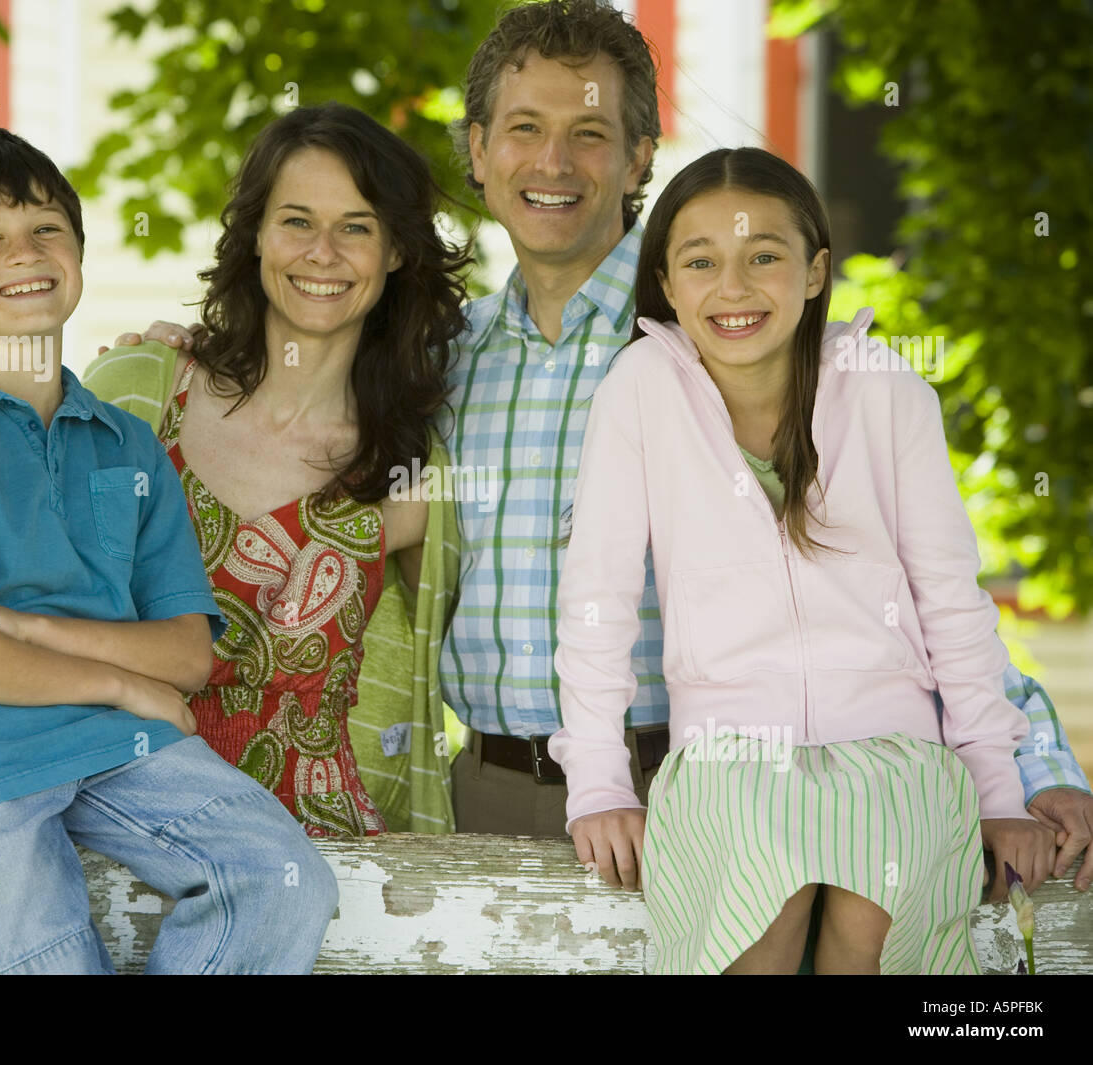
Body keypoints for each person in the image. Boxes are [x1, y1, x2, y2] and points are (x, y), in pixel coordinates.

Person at [440, 0, 1092, 898]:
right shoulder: (438, 367)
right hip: (491, 791)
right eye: (523, 128)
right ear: (479, 150)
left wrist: (1036, 766)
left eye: (589, 131)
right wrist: (198, 355)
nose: (553, 162)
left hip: (721, 796)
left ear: (639, 156)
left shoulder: (735, 334)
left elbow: (901, 592)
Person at [0, 127, 337, 974]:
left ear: (78, 252)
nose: (23, 253)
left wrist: (31, 631)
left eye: (45, 229)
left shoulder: (125, 444)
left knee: (281, 880)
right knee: (53, 954)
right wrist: (118, 681)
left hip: (111, 744)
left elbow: (183, 653)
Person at [552, 146, 1055, 974]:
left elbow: (952, 604)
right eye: (701, 261)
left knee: (873, 936)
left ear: (816, 271)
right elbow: (596, 601)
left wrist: (998, 794)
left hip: (894, 755)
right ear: (668, 285)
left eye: (764, 257)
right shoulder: (640, 390)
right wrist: (601, 786)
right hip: (726, 758)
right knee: (760, 926)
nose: (734, 287)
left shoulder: (889, 393)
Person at [85, 104, 470, 836]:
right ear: (256, 234)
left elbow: (449, 667)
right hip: (120, 827)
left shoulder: (414, 475)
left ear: (393, 251)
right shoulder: (138, 389)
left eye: (356, 226)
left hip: (327, 857)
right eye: (297, 221)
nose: (322, 252)